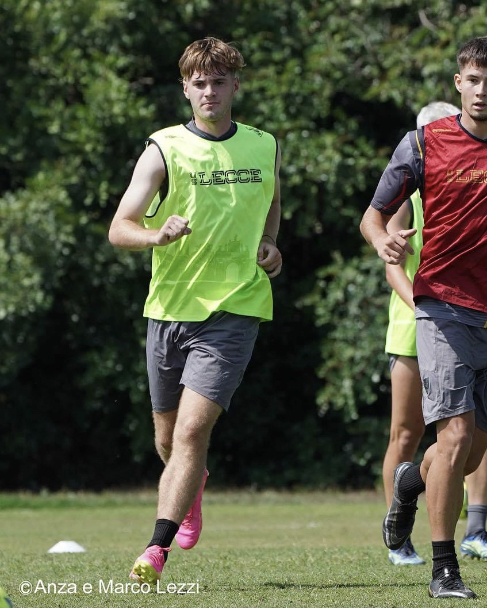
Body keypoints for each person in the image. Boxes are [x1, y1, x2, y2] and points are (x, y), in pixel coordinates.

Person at [361, 37, 487, 599]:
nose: (481, 90)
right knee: (452, 438)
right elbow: (373, 215)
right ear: (458, 83)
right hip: (442, 306)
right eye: (473, 80)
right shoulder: (423, 143)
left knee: (471, 452)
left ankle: (409, 482)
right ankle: (444, 570)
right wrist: (382, 241)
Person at [108, 37, 283, 584]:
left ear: (236, 86)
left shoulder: (263, 145)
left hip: (236, 307)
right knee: (167, 439)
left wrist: (270, 243)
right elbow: (119, 228)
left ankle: (155, 549)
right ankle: (192, 487)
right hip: (169, 309)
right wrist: (156, 235)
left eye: (219, 82)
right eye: (199, 83)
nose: (210, 92)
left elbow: (272, 201)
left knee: (189, 432)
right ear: (185, 88)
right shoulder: (163, 148)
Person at [383, 102, 487, 567]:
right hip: (415, 321)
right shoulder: (406, 195)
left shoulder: (477, 185)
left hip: (469, 320)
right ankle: (400, 533)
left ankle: (475, 527)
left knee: (473, 431)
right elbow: (392, 263)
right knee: (408, 431)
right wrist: (420, 307)